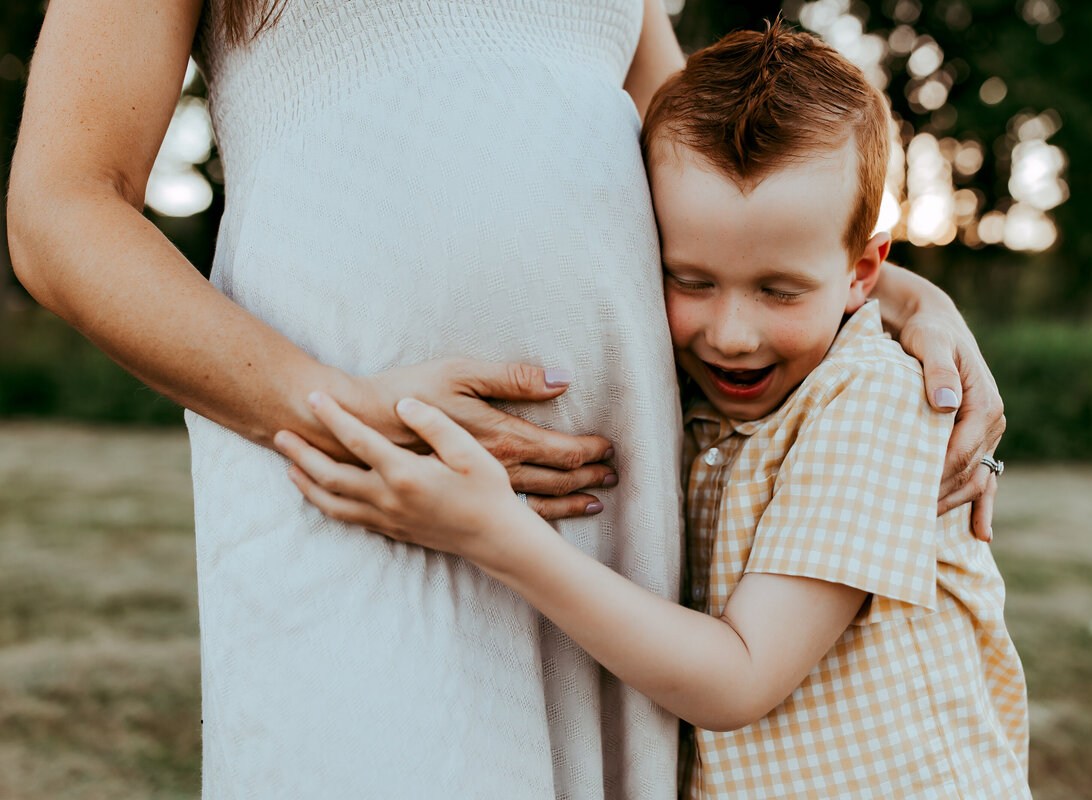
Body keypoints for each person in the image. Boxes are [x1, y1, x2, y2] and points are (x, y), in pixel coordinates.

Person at [9, 1, 1005, 797]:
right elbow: (60, 209)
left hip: (614, 524)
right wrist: (335, 410)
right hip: (370, 480)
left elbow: (711, 162)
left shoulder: (840, 346)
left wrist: (906, 301)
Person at [278, 21, 1029, 799]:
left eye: (780, 290)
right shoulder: (701, 389)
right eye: (690, 281)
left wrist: (492, 533)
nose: (731, 336)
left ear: (864, 272)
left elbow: (739, 679)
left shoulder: (868, 397)